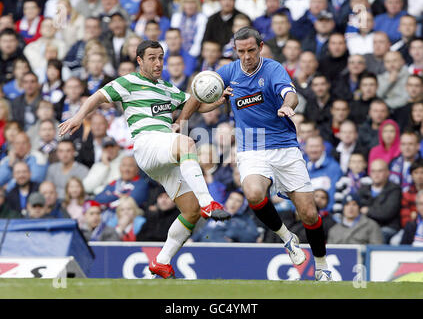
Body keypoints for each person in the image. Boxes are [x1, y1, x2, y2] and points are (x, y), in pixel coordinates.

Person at [58, 40, 233, 279]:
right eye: (152, 58)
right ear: (139, 60)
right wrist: (78, 116)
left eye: (160, 57)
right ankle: (208, 203)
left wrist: (218, 99)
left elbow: (196, 103)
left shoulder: (166, 88)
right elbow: (98, 97)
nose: (158, 63)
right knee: (187, 142)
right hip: (147, 143)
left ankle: (162, 261)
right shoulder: (129, 81)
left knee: (190, 212)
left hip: (163, 155)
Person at [178, 27, 333, 280]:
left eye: (251, 50)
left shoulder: (272, 69)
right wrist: (182, 122)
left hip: (284, 147)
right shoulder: (228, 72)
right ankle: (287, 238)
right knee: (252, 193)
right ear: (235, 51)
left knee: (309, 213)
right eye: (241, 52)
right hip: (252, 148)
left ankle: (323, 266)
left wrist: (286, 106)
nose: (247, 56)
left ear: (260, 48)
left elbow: (289, 94)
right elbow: (197, 94)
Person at [358, 159, 402, 243]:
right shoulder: (363, 190)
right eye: (373, 171)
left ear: (387, 172)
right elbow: (357, 211)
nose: (376, 174)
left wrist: (368, 210)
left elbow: (386, 213)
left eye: (380, 171)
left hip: (387, 227)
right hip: (365, 226)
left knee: (378, 234)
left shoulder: (394, 189)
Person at [190, 190, 260, 243]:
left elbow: (253, 237)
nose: (233, 203)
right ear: (226, 201)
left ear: (242, 205)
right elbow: (203, 232)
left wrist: (233, 233)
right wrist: (192, 240)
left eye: (238, 201)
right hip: (203, 249)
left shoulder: (245, 220)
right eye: (231, 199)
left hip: (225, 251)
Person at [305, 135, 343, 211]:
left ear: (323, 147)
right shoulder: (300, 165)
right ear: (305, 148)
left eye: (317, 146)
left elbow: (333, 195)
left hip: (325, 215)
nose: (314, 150)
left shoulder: (333, 167)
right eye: (311, 146)